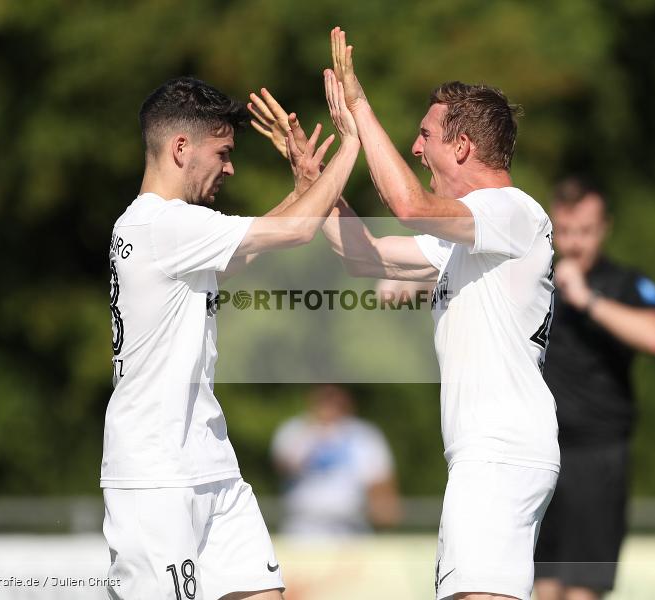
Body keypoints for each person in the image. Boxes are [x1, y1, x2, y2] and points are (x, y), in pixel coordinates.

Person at [249, 28, 559, 600]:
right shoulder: (471, 236)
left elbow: (409, 205)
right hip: (485, 453)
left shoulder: (509, 210)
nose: (417, 149)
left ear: (462, 146)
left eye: (425, 135)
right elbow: (364, 257)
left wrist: (360, 112)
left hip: (499, 450)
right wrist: (317, 182)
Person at [101, 73, 360, 600]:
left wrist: (306, 187)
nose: (230, 166)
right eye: (222, 152)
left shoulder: (172, 230)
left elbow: (249, 248)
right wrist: (352, 141)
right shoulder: (160, 225)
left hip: (209, 462)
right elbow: (295, 232)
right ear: (180, 148)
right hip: (156, 475)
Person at [533, 178, 655, 600]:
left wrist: (587, 300)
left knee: (583, 592)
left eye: (585, 231)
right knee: (542, 587)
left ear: (604, 228)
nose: (574, 244)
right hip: (540, 453)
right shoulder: (534, 280)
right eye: (566, 231)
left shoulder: (625, 282)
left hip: (598, 456)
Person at [271, 384, 401, 538]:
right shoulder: (293, 430)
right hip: (302, 530)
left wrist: (385, 518)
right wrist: (316, 433)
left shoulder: (365, 435)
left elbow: (381, 486)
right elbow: (283, 466)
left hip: (351, 529)